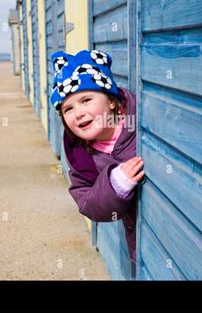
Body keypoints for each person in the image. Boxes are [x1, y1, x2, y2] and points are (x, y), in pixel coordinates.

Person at [50, 49, 144, 279]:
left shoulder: (141, 120)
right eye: (68, 109)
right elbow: (87, 204)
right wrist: (115, 184)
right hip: (139, 246)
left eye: (86, 100)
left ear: (111, 101)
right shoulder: (81, 155)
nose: (78, 113)